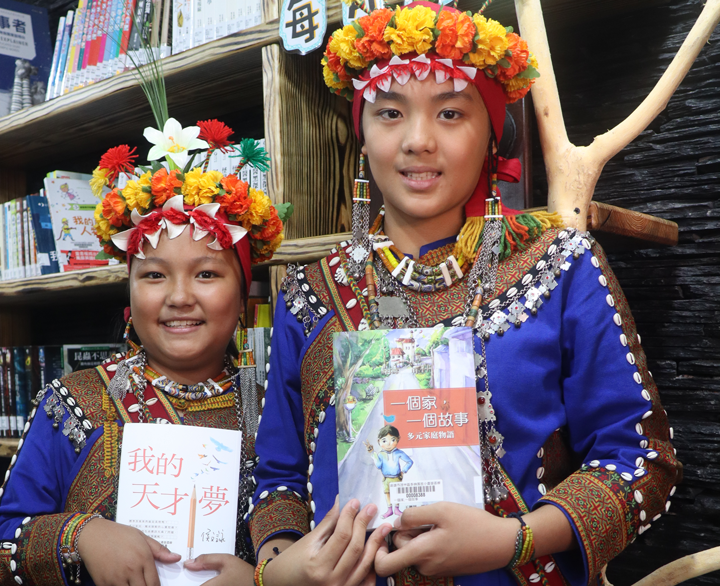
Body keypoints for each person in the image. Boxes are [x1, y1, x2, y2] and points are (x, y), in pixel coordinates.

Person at [249, 3, 679, 586]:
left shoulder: (557, 266)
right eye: (390, 113)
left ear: (491, 135)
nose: (418, 141)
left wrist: (514, 538)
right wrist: (279, 566)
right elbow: (277, 476)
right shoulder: (309, 292)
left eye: (450, 112)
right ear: (363, 132)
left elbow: (642, 464)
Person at [0, 118, 291, 586]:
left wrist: (263, 580)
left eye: (206, 274)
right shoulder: (71, 403)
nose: (179, 297)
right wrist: (81, 535)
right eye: (155, 275)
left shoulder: (273, 414)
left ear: (242, 297)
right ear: (130, 291)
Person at [365, 425, 414, 518]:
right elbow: (379, 466)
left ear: (398, 439)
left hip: (396, 477)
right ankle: (390, 510)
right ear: (378, 441)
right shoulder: (381, 454)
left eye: (392, 440)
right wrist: (373, 453)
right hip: (386, 478)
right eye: (384, 441)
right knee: (387, 493)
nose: (388, 444)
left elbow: (409, 461)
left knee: (397, 493)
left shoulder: (398, 452)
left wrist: (403, 471)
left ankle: (397, 509)